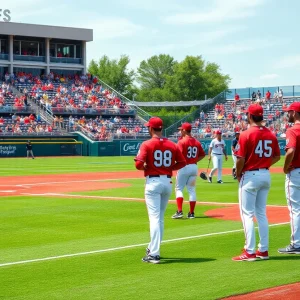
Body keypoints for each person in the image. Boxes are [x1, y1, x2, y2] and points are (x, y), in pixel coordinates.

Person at [134, 117, 186, 264]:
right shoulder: (172, 144)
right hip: (167, 181)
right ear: (161, 128)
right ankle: (152, 248)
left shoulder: (147, 144)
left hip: (153, 182)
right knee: (160, 219)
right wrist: (169, 168)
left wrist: (145, 166)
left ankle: (154, 253)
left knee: (155, 219)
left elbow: (138, 164)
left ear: (151, 128)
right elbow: (181, 162)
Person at [232, 104, 281, 261]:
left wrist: (238, 173)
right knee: (261, 213)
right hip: (265, 174)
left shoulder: (245, 134)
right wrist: (264, 163)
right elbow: (277, 157)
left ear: (250, 116)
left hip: (250, 176)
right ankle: (263, 250)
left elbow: (240, 159)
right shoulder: (271, 134)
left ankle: (250, 251)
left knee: (247, 214)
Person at [278, 102, 300, 254]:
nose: (288, 114)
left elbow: (290, 150)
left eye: (289, 111)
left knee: (295, 210)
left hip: (296, 173)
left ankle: (296, 244)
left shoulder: (293, 130)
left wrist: (285, 167)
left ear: (294, 113)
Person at [172, 122, 205, 219]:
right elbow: (202, 155)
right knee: (191, 190)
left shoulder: (182, 142)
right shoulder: (196, 142)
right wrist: (194, 160)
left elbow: (178, 155)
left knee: (179, 189)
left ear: (184, 130)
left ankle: (179, 211)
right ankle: (191, 213)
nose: (179, 131)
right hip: (194, 167)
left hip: (184, 167)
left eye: (181, 129)